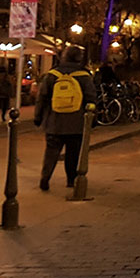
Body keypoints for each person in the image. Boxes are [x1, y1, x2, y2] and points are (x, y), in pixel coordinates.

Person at [34, 46, 96, 191]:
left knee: (51, 151)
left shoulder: (52, 74)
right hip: (76, 122)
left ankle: (45, 177)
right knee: (73, 153)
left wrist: (38, 117)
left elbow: (42, 97)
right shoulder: (84, 76)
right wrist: (92, 118)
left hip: (54, 121)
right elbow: (91, 98)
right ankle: (71, 180)